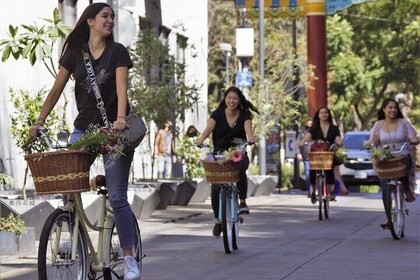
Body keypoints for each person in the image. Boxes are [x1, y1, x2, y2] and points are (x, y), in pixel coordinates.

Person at [28, 3, 140, 279]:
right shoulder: (75, 54)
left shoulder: (117, 52)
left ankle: (128, 259)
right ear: (89, 21)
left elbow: (121, 89)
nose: (110, 20)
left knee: (116, 196)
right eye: (105, 16)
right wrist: (40, 120)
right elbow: (56, 89)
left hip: (115, 131)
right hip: (84, 130)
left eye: (112, 17)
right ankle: (70, 229)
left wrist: (121, 118)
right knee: (68, 187)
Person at [195, 86, 258, 237]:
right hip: (220, 155)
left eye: (235, 98)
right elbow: (209, 128)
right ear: (225, 99)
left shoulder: (245, 115)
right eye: (229, 98)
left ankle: (242, 201)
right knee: (216, 186)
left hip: (238, 152)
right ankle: (218, 220)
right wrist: (200, 140)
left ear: (239, 100)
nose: (232, 101)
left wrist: (250, 139)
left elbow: (248, 130)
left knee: (240, 168)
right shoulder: (217, 114)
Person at [367, 98, 418, 230]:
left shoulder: (403, 123)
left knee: (404, 168)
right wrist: (369, 146)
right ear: (384, 109)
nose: (393, 110)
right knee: (385, 189)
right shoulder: (378, 125)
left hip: (402, 155)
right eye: (390, 107)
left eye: (395, 107)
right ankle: (389, 219)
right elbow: (372, 141)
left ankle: (406, 189)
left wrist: (414, 140)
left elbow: (413, 136)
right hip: (385, 158)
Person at [299, 106, 342, 203]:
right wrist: (302, 142)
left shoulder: (334, 128)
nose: (324, 114)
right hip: (316, 152)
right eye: (321, 112)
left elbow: (338, 138)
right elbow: (307, 136)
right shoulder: (314, 127)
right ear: (318, 115)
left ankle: (331, 193)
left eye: (325, 112)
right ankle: (313, 192)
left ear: (328, 114)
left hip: (328, 152)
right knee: (313, 170)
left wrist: (338, 144)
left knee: (330, 169)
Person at [296, 118, 313, 196]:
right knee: (308, 174)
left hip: (316, 158)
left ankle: (318, 189)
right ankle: (310, 190)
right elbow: (297, 144)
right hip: (306, 158)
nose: (310, 125)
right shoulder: (302, 134)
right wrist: (298, 153)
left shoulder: (317, 133)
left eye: (311, 124)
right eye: (308, 124)